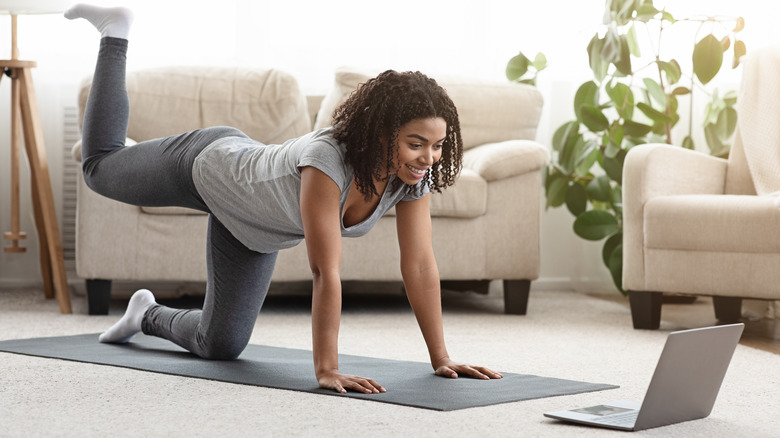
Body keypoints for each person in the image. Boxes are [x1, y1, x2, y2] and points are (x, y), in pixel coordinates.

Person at [65, 4, 502, 394]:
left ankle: (144, 313)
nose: (429, 158)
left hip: (251, 227)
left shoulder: (409, 178)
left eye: (439, 145)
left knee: (219, 346)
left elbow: (421, 265)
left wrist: (441, 357)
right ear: (384, 133)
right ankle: (114, 33)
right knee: (99, 169)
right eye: (416, 143)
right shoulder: (327, 160)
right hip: (209, 166)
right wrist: (327, 369)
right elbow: (324, 271)